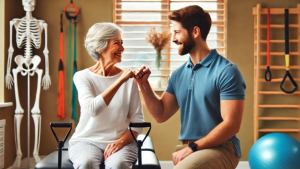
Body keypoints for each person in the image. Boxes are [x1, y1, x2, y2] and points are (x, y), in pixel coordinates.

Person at [133, 5, 246, 169]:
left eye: (177, 32)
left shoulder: (227, 71)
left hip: (221, 149)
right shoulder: (178, 75)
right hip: (189, 149)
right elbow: (161, 114)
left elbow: (232, 124)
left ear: (195, 32)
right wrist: (144, 85)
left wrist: (193, 147)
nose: (173, 38)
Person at [68, 22, 144, 169]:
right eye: (116, 43)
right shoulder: (82, 77)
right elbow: (92, 109)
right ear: (99, 48)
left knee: (118, 164)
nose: (122, 48)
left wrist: (120, 142)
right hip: (86, 140)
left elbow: (138, 122)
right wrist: (120, 80)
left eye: (122, 43)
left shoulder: (130, 80)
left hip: (121, 140)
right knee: (86, 163)